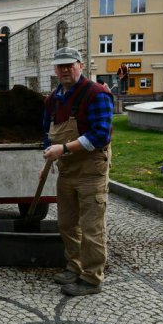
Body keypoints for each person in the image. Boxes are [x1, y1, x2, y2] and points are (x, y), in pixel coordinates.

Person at [42, 47, 113, 296]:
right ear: (54, 69)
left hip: (91, 168)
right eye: (60, 66)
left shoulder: (96, 94)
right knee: (68, 224)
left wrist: (63, 148)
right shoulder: (53, 99)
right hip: (67, 169)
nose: (64, 70)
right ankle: (75, 266)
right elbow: (47, 131)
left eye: (69, 65)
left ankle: (92, 278)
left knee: (92, 226)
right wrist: (49, 152)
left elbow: (101, 134)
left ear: (81, 66)